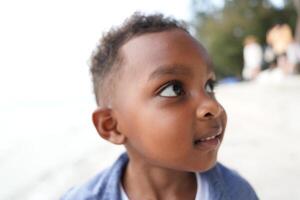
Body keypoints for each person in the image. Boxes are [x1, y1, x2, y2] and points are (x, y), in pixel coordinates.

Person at [61, 13, 258, 200]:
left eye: (209, 86)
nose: (212, 105)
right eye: (173, 89)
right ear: (111, 125)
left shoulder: (239, 193)